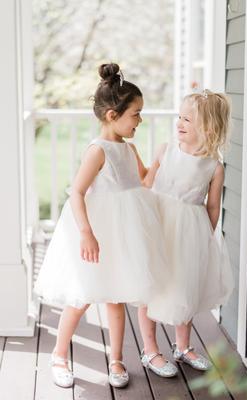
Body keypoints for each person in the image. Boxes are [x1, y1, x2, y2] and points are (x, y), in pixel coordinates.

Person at [34, 63, 177, 388]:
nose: (140, 120)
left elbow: (143, 182)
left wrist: (157, 161)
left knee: (117, 298)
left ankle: (116, 359)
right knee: (81, 296)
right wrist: (86, 232)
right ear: (113, 115)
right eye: (136, 114)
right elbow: (77, 193)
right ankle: (59, 354)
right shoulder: (98, 151)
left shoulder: (128, 149)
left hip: (126, 233)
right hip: (98, 233)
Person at [138, 89, 234, 372]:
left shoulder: (214, 167)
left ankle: (183, 347)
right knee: (151, 286)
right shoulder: (166, 150)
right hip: (159, 225)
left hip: (191, 235)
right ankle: (150, 349)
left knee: (185, 288)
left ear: (208, 127)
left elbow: (213, 206)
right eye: (179, 117)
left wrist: (207, 236)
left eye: (187, 120)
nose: (179, 123)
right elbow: (147, 183)